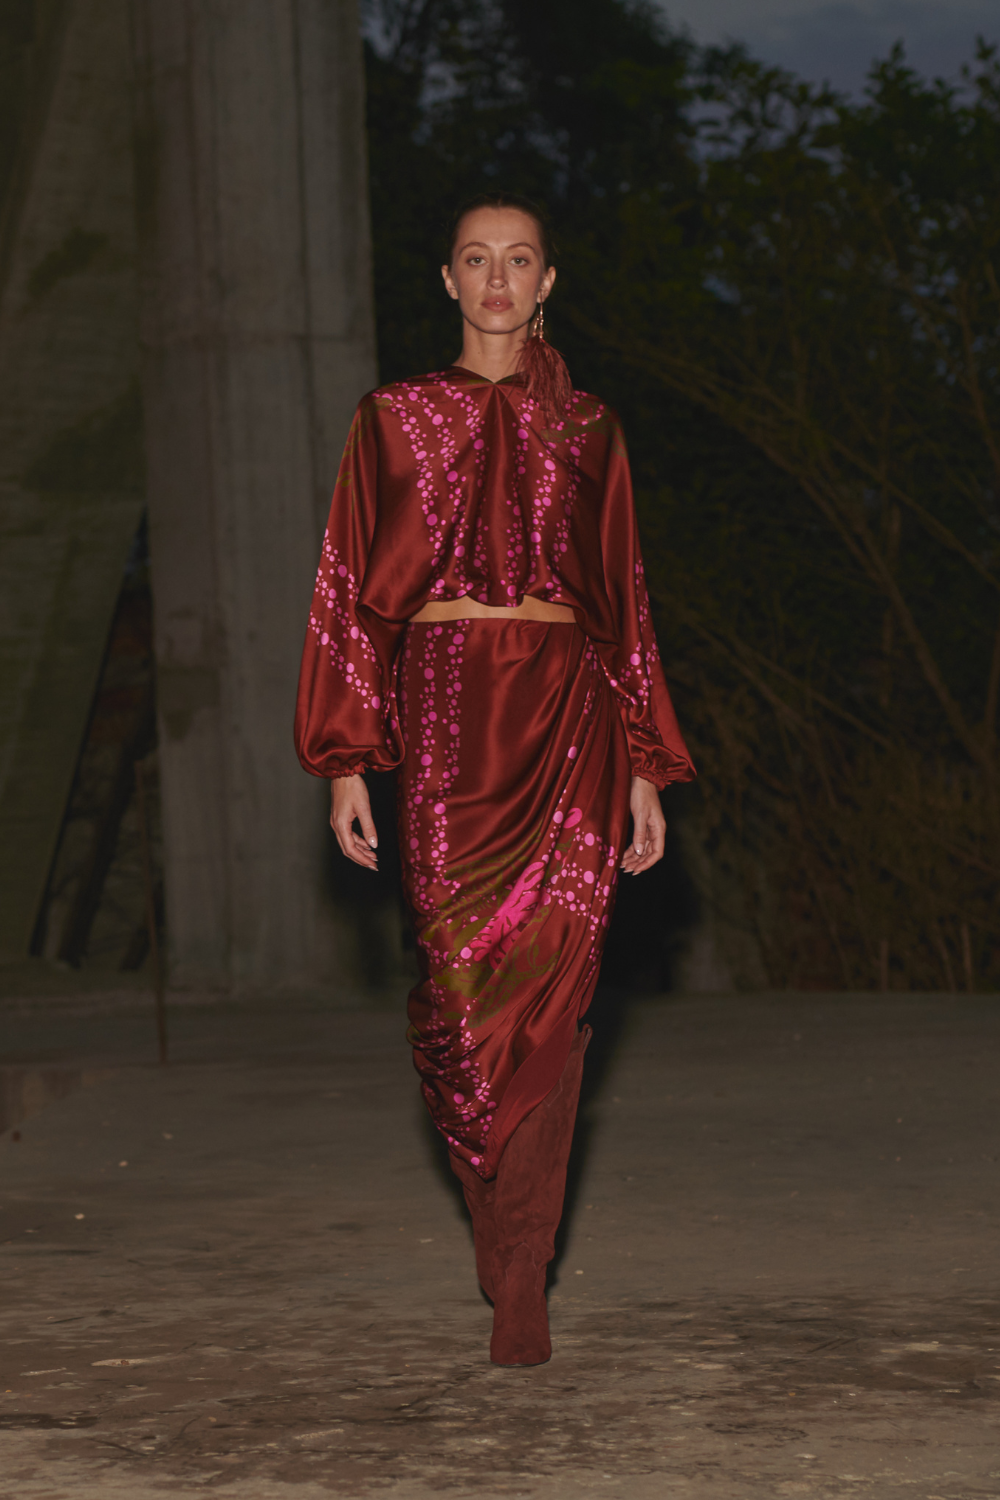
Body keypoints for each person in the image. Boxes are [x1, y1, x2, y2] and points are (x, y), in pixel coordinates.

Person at [295, 192, 695, 1366]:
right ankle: (499, 1228)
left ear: (548, 282)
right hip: (445, 713)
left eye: (520, 260)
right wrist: (344, 758)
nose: (499, 279)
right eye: (477, 259)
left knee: (557, 999)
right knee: (463, 1002)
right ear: (447, 280)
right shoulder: (390, 419)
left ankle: (523, 1269)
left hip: (570, 714)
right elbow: (349, 592)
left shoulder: (591, 428)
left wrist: (643, 765)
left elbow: (624, 601)